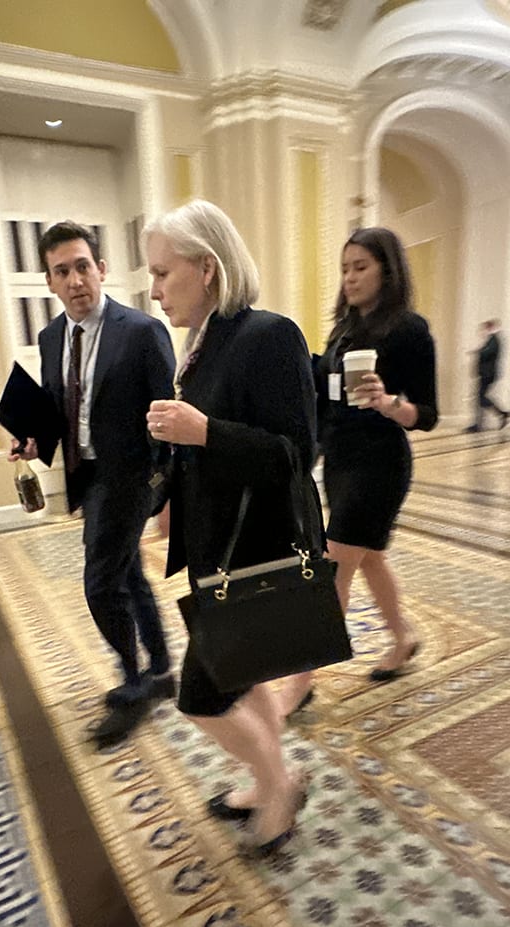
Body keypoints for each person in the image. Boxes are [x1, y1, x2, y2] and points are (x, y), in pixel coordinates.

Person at [142, 200, 322, 857]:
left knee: (199, 696)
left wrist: (204, 431)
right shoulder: (204, 345)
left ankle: (278, 786)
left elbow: (297, 454)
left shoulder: (268, 335)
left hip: (258, 548)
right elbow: (203, 449)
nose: (155, 290)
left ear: (208, 268)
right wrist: (169, 493)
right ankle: (270, 776)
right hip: (219, 545)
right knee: (243, 678)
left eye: (164, 273)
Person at [7, 222, 176, 748]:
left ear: (101, 270)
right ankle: (162, 666)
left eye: (83, 266)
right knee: (127, 574)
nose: (76, 279)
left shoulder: (142, 331)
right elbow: (65, 406)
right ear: (50, 282)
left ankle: (133, 686)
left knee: (100, 584)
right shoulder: (51, 336)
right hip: (88, 474)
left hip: (130, 477)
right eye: (63, 271)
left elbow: (169, 412)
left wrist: (165, 486)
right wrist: (35, 439)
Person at [278, 227, 437, 718]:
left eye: (360, 267)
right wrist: (312, 456)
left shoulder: (409, 330)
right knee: (369, 559)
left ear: (387, 271)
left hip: (381, 463)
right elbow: (326, 405)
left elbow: (427, 413)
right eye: (345, 268)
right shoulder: (342, 330)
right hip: (342, 462)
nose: (349, 277)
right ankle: (403, 638)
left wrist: (390, 403)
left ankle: (300, 682)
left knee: (333, 568)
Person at [466, 319, 510, 431]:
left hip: (488, 373)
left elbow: (488, 353)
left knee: (481, 398)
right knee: (480, 398)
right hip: (486, 373)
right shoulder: (491, 341)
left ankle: (501, 414)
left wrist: (478, 351)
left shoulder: (494, 340)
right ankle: (483, 421)